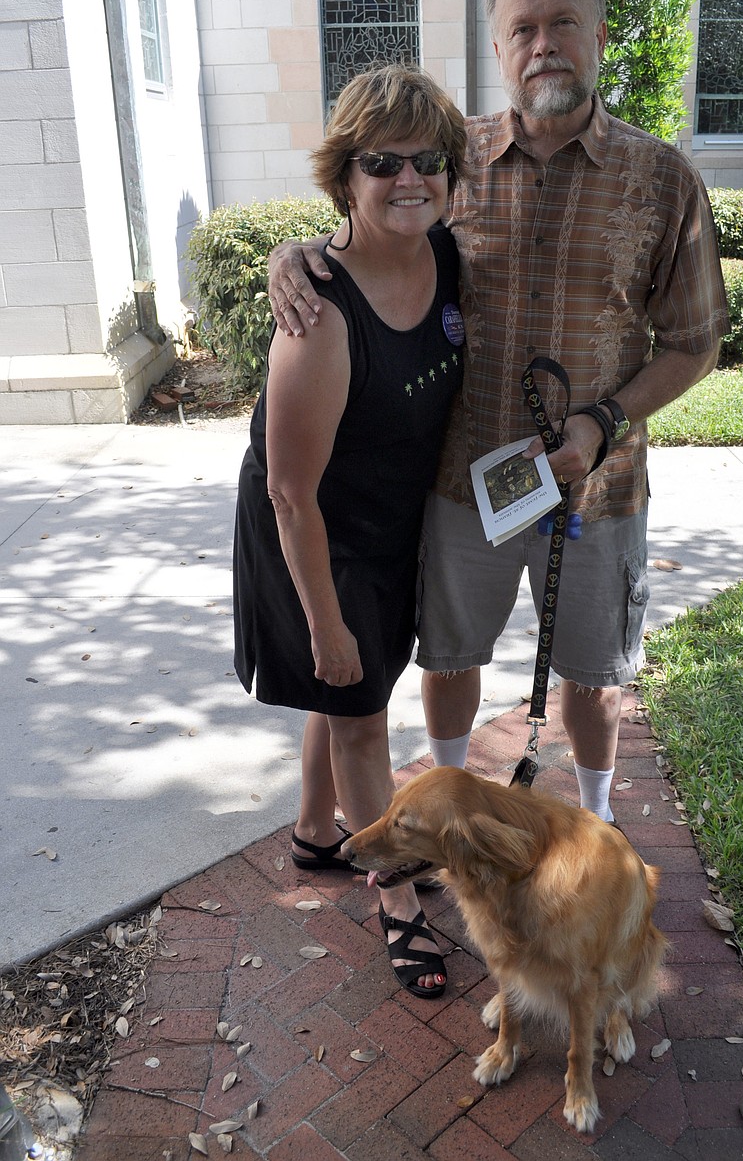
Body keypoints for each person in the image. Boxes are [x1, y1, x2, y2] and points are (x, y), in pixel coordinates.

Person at [267, 0, 730, 823]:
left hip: (599, 489)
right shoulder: (450, 161)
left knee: (592, 679)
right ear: (498, 49)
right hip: (461, 481)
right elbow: (367, 238)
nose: (544, 44)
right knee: (449, 660)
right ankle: (449, 807)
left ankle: (591, 821)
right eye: (523, 28)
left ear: (600, 33)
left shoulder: (663, 179)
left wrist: (603, 420)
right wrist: (293, 256)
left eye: (564, 23)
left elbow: (694, 339)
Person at [233, 64, 467, 997]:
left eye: (429, 161)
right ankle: (400, 901)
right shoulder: (317, 315)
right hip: (312, 533)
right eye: (383, 163)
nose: (410, 179)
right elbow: (292, 495)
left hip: (387, 522)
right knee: (358, 701)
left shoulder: (446, 253)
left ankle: (314, 835)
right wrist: (325, 625)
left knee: (346, 697)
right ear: (345, 175)